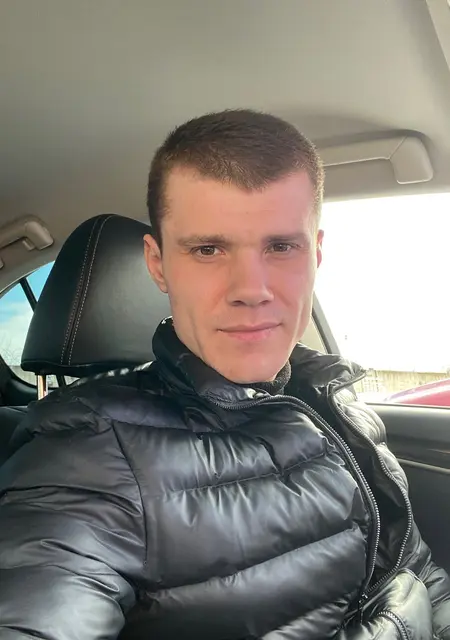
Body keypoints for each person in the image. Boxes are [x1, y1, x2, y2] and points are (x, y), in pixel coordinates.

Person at [0, 109, 449, 640]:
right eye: (208, 249)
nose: (251, 289)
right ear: (158, 264)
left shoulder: (333, 400)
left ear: (316, 254)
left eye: (281, 247)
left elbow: (422, 577)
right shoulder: (83, 456)